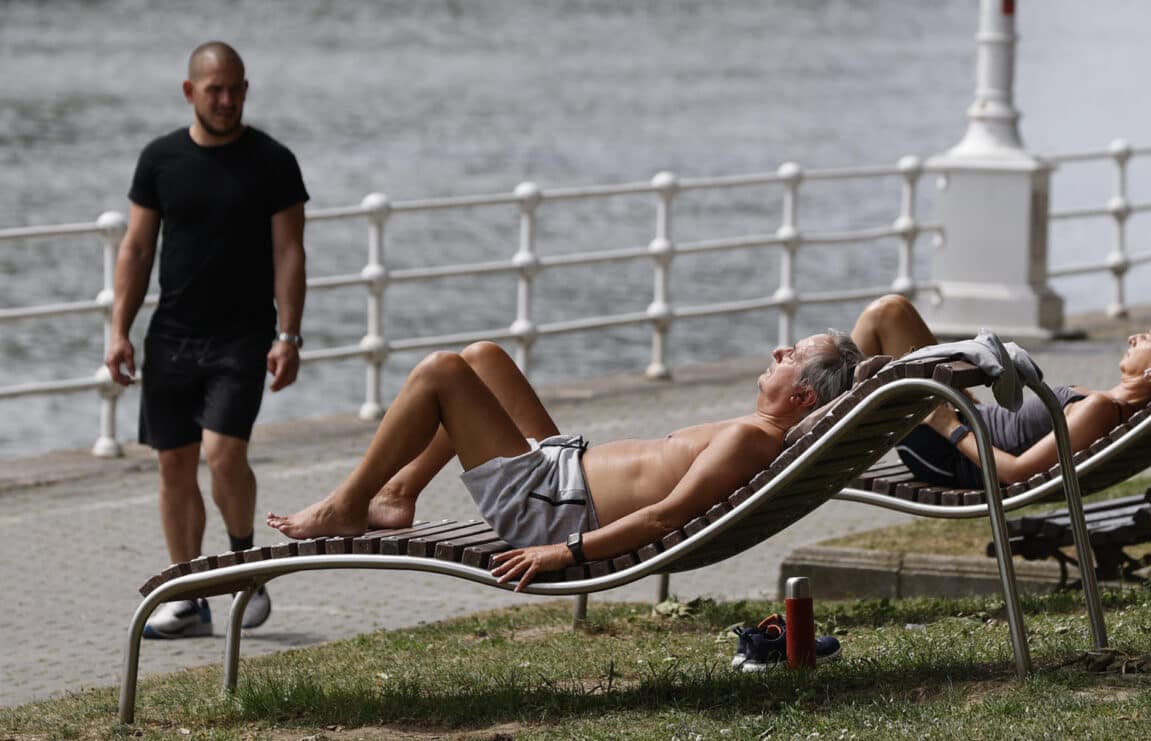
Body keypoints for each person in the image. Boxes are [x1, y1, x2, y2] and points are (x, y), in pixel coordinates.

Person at [267, 331, 863, 590]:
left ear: (802, 396)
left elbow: (663, 518)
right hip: (562, 474)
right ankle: (396, 495)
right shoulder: (758, 432)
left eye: (791, 355)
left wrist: (562, 552)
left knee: (441, 372)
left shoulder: (749, 440)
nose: (777, 351)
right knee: (485, 358)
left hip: (551, 510)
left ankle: (347, 504)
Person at [105, 42, 309, 639]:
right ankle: (188, 594)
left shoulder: (272, 161)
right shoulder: (160, 159)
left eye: (236, 88)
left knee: (223, 454)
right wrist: (119, 330)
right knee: (174, 466)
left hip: (243, 336)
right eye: (214, 89)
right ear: (190, 91)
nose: (226, 99)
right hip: (171, 335)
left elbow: (290, 251)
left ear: (246, 89)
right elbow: (137, 249)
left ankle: (246, 566)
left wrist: (289, 332)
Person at [848, 295, 1151, 488]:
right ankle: (818, 398)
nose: (1134, 337)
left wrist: (947, 425)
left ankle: (811, 417)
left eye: (1147, 339)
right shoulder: (1108, 407)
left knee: (882, 317)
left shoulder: (1102, 408)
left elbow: (1017, 473)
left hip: (946, 449)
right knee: (893, 312)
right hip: (971, 419)